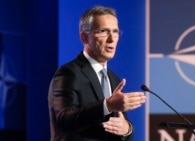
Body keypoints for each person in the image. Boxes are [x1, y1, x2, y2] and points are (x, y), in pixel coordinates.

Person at [48, 5, 146, 141]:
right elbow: (65, 120)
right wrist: (108, 105)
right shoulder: (68, 73)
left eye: (115, 32)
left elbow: (120, 125)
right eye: (103, 31)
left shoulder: (113, 79)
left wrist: (127, 129)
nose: (112, 39)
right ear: (84, 37)